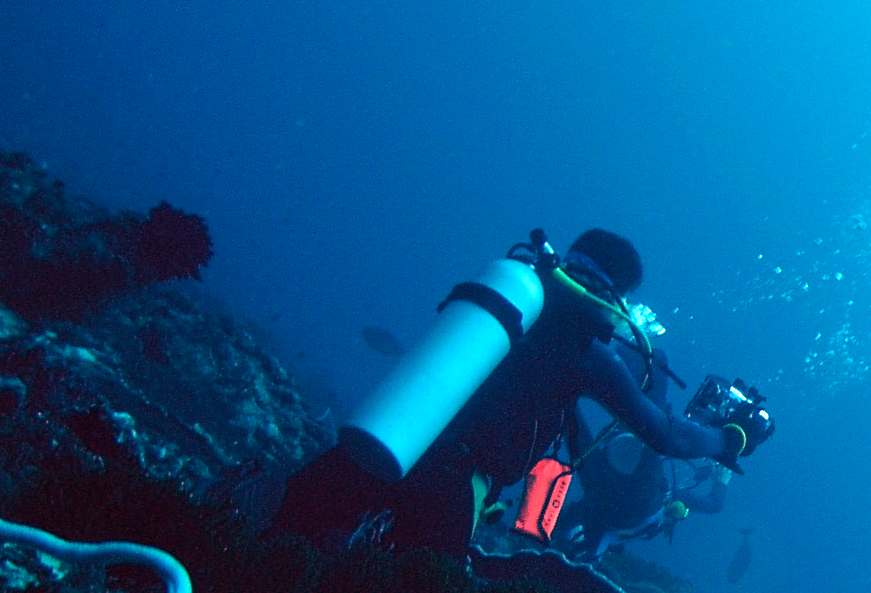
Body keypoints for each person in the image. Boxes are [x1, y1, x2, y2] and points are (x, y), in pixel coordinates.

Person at [274, 228, 773, 562]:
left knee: (265, 549)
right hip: (448, 491)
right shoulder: (583, 351)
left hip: (385, 441)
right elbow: (663, 434)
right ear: (617, 295)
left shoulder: (510, 301)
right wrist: (728, 440)